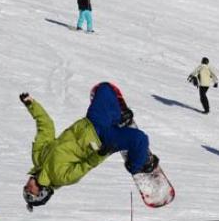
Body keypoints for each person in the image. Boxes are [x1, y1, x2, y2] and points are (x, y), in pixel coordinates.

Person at [20, 82, 157, 211]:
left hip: (91, 122)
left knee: (104, 89)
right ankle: (137, 165)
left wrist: (31, 105)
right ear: (42, 192)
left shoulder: (38, 156)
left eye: (25, 189)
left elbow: (46, 127)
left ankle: (117, 118)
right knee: (140, 139)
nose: (27, 187)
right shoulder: (60, 177)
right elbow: (86, 165)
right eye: (30, 192)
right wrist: (100, 154)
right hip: (102, 141)